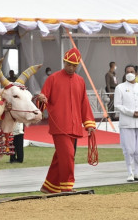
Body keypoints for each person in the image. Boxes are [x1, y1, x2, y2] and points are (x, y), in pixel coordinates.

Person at [37, 48, 95, 193]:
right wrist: (41, 100)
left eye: (74, 65)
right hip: (59, 125)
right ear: (64, 62)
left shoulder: (80, 81)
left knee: (62, 157)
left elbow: (84, 103)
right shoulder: (53, 78)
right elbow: (42, 102)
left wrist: (89, 123)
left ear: (78, 65)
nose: (71, 67)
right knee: (68, 155)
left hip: (74, 126)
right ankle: (67, 187)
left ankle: (49, 187)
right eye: (68, 64)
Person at [114, 65, 138, 182]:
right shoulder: (120, 88)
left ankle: (137, 171)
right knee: (129, 149)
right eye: (128, 72)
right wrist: (131, 113)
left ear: (136, 73)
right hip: (126, 123)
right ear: (125, 73)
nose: (130, 73)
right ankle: (130, 172)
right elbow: (117, 105)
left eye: (132, 71)